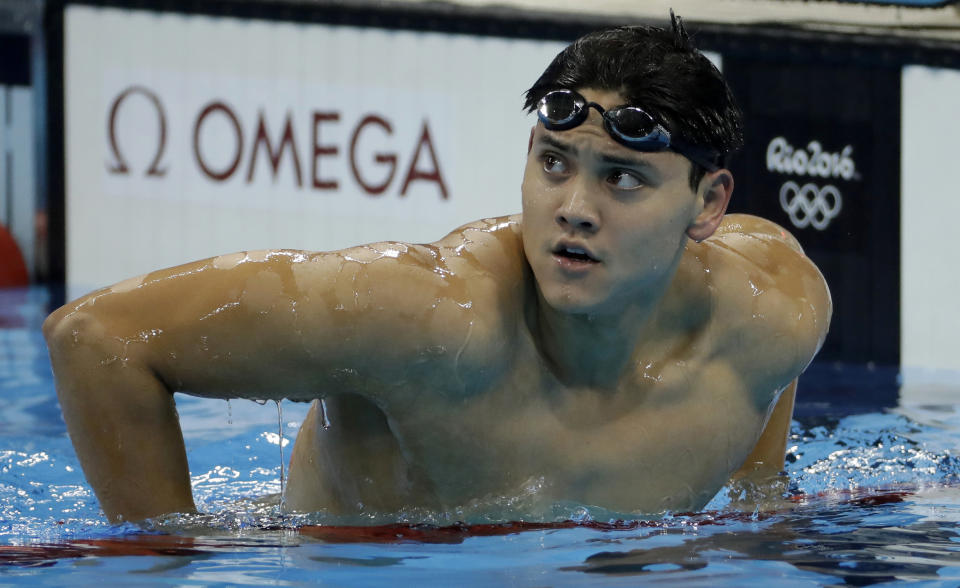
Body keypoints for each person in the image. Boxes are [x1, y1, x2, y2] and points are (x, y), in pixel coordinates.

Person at [43, 15, 831, 524]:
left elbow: (769, 374)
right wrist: (156, 567)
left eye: (623, 178)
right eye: (555, 164)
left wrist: (753, 510)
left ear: (708, 202)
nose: (575, 207)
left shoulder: (773, 309)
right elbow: (99, 337)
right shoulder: (425, 317)